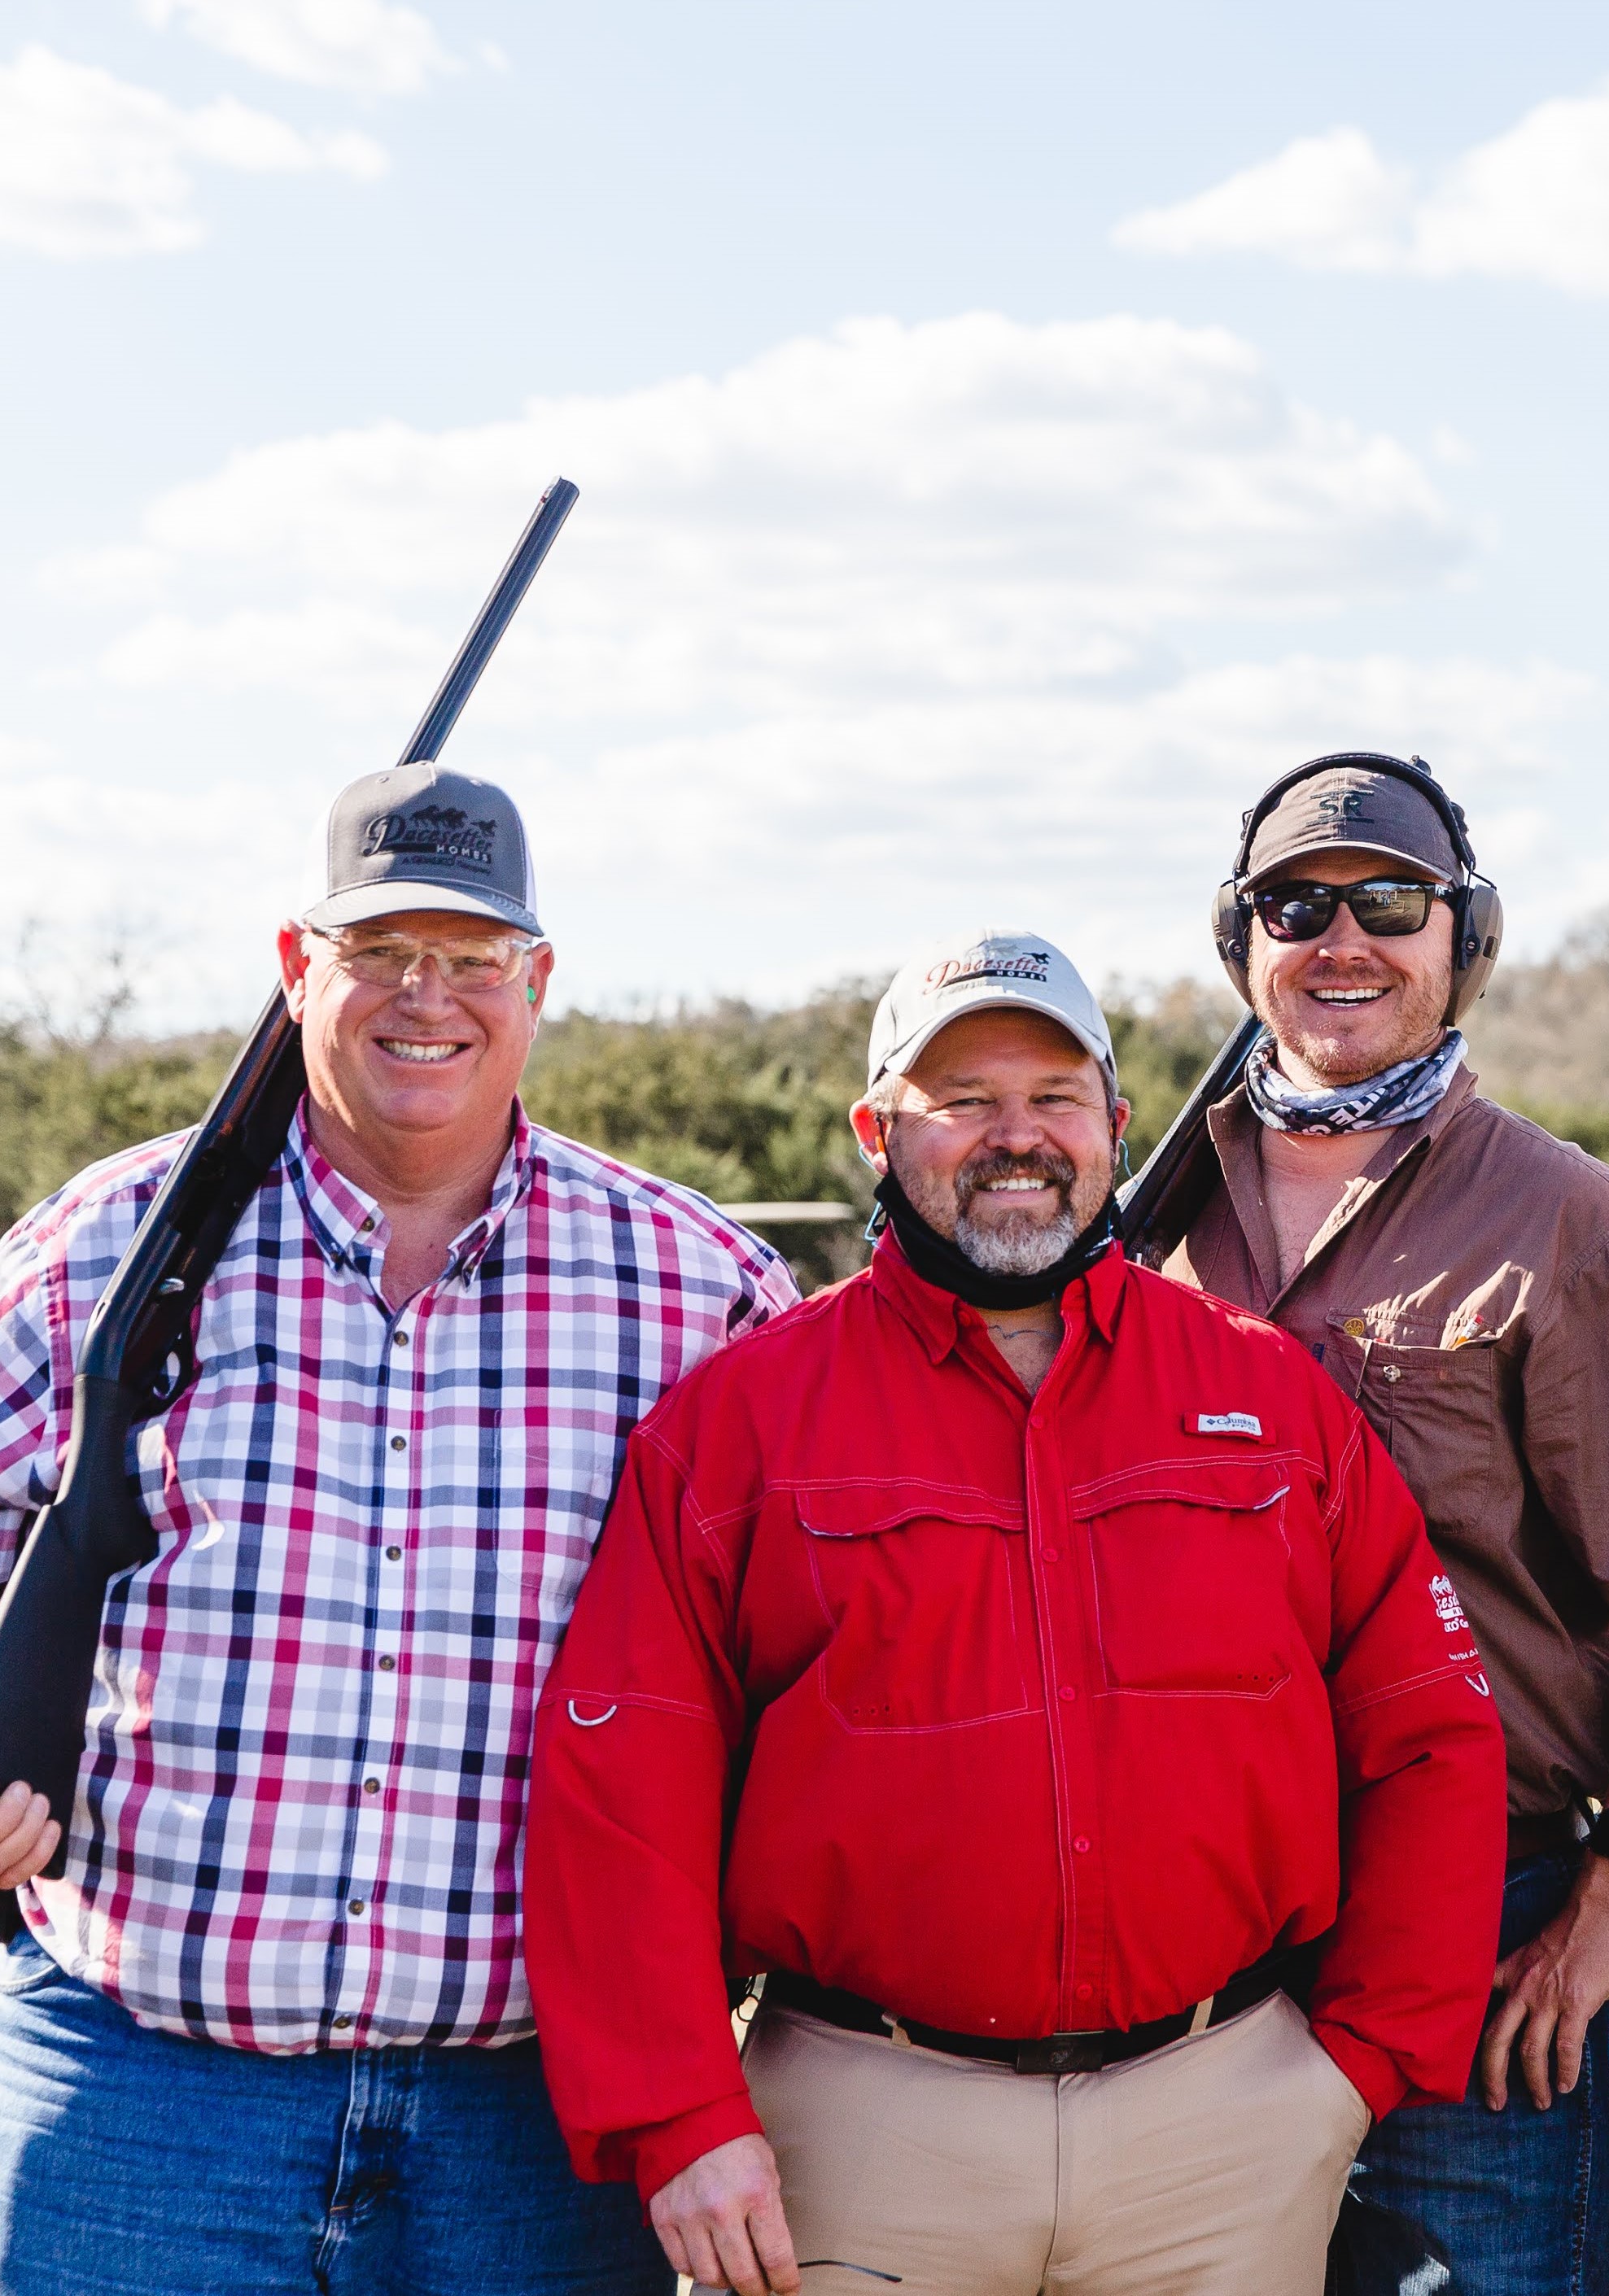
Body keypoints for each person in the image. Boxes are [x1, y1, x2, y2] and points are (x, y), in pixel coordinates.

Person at [0, 766, 798, 2296]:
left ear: (537, 983)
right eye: (381, 952)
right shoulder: (112, 1239)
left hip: (533, 2121)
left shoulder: (700, 1286)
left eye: (475, 957)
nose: (430, 997)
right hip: (131, 2089)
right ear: (298, 970)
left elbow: (798, 1648)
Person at [522, 928, 1508, 2296]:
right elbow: (621, 1781)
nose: (1014, 1136)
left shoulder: (1272, 1399)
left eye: (1051, 1096)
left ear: (1113, 1123)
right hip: (864, 2128)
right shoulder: (742, 1420)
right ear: (878, 1130)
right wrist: (680, 2113)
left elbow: (1430, 1736)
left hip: (1223, 2123)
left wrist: (1360, 2062)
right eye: (962, 1100)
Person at [1156, 753, 1609, 2296]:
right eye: (1297, 905)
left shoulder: (1577, 1223)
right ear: (1242, 944)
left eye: (1391, 902)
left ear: (1466, 940)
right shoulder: (1145, 1215)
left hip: (1480, 1909)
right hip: (1194, 1922)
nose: (1342, 938)